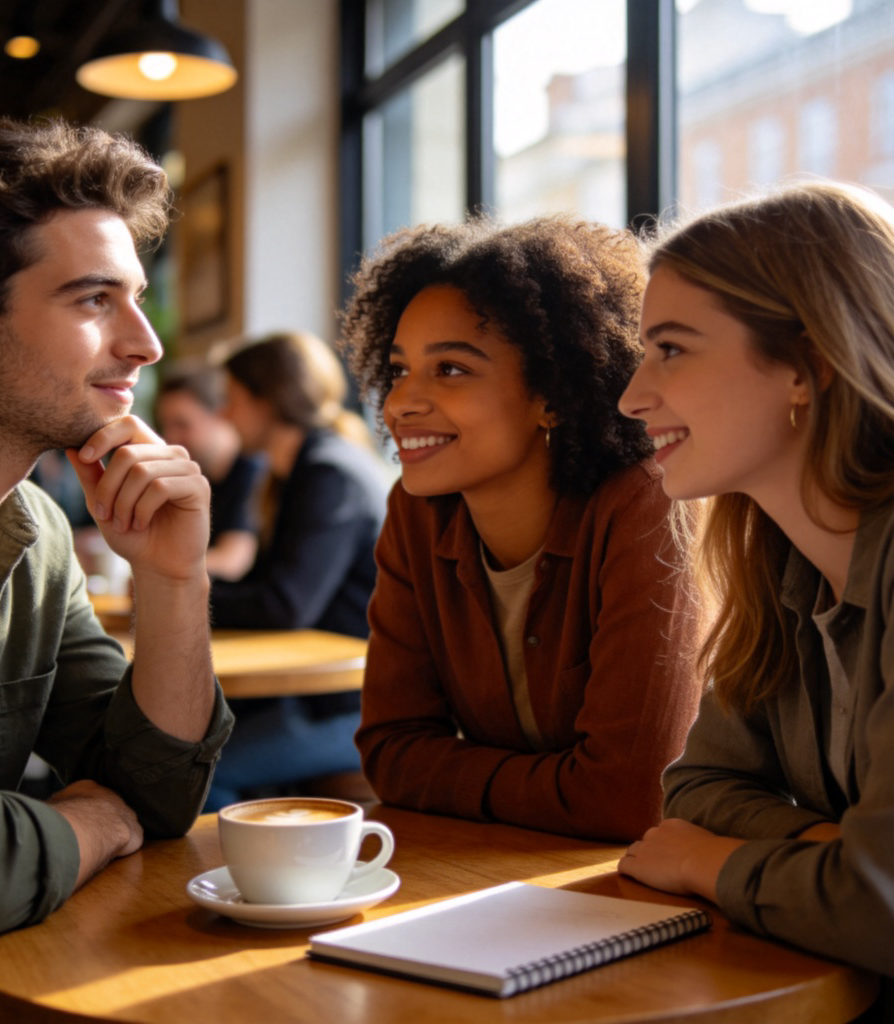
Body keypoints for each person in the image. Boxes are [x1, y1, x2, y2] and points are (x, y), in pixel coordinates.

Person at [0, 118, 233, 1022]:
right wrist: (99, 819)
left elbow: (160, 791)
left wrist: (173, 580)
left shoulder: (28, 525)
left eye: (137, 297)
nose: (146, 344)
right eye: (92, 300)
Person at [339, 215, 702, 842]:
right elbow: (389, 752)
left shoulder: (648, 504)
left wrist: (454, 775)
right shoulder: (417, 512)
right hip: (510, 875)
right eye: (399, 370)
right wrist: (564, 786)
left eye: (450, 369)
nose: (400, 404)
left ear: (553, 396)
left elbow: (631, 796)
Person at [616, 181, 894, 993]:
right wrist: (832, 853)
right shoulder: (777, 565)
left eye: (671, 348)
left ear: (807, 365)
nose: (633, 396)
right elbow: (696, 788)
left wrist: (715, 863)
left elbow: (880, 907)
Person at [204, 330, 390, 810]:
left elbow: (286, 605)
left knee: (196, 774)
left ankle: (232, 882)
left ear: (268, 401)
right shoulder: (301, 470)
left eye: (232, 399)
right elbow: (269, 589)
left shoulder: (330, 474)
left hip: (358, 710)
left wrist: (185, 597)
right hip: (320, 697)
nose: (223, 414)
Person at [155, 360, 264, 581]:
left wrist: (154, 566)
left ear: (221, 415)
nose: (171, 438)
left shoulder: (252, 470)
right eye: (165, 425)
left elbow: (232, 560)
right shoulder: (201, 476)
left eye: (182, 424)